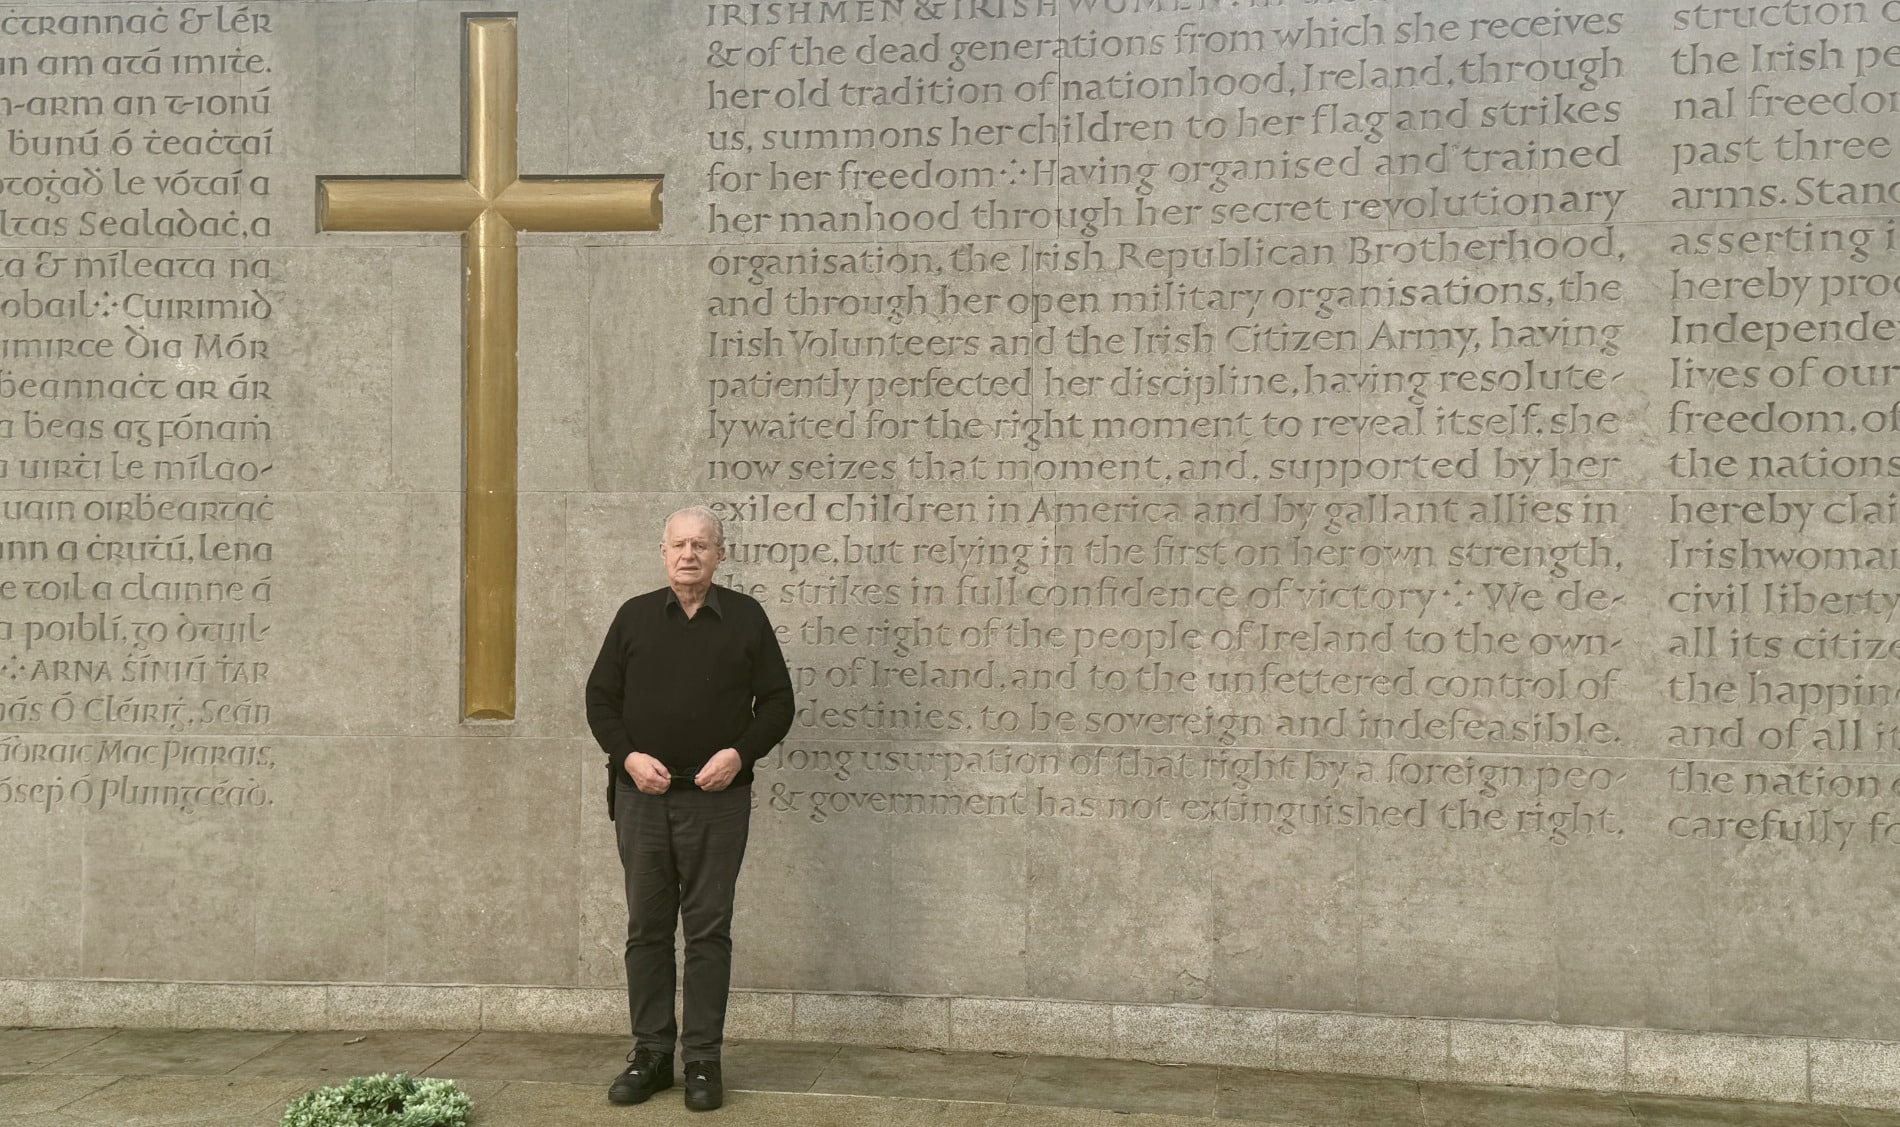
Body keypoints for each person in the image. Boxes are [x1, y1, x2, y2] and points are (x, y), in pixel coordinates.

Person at [585, 505, 794, 1111]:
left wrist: (739, 752)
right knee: (647, 931)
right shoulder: (634, 618)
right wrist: (626, 757)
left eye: (701, 545)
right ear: (663, 552)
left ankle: (702, 1060)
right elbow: (601, 700)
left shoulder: (747, 619)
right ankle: (651, 1056)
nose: (689, 554)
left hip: (717, 802)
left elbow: (778, 704)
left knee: (707, 932)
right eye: (678, 544)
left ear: (720, 554)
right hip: (642, 799)